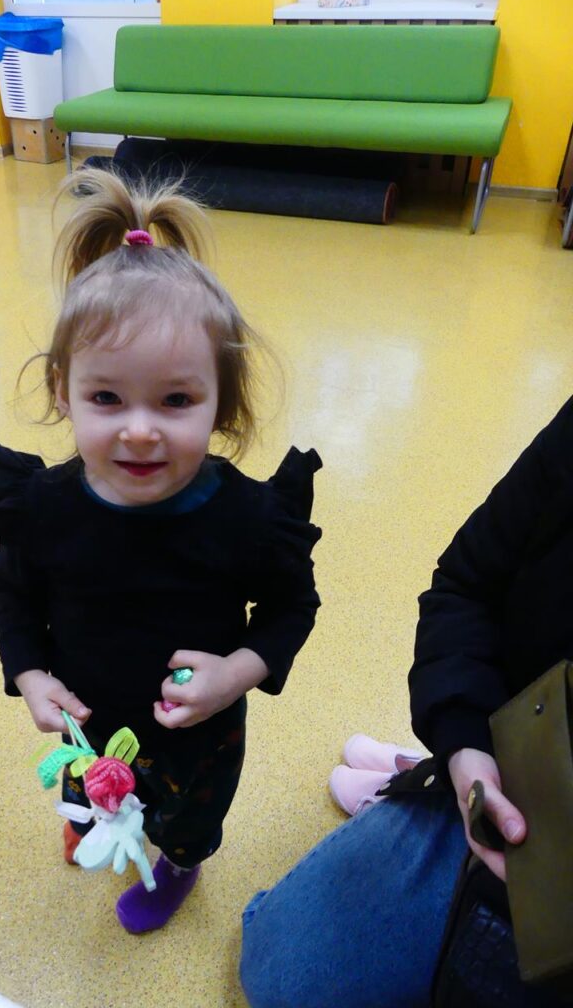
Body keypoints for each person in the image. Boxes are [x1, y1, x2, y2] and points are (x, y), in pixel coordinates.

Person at [0, 169, 322, 935]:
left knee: (184, 818)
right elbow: (14, 594)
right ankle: (99, 818)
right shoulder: (41, 508)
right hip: (88, 718)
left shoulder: (247, 518)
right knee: (90, 788)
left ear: (220, 402)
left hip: (194, 734)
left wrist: (236, 673)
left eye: (175, 400)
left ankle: (177, 865)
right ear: (63, 391)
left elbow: (292, 606)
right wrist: (30, 674)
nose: (140, 430)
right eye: (107, 398)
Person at [239, 395, 573, 1007]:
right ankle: (431, 778)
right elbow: (466, 585)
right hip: (516, 775)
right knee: (282, 974)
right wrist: (466, 745)